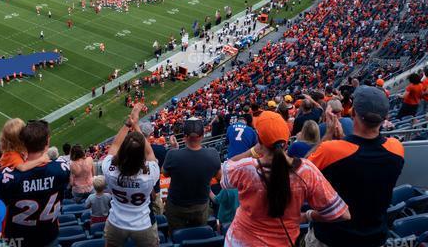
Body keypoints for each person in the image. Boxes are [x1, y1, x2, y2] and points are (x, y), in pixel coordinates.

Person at [222, 111, 350, 246]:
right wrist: (308, 215)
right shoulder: (306, 171)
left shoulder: (246, 167)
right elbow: (342, 214)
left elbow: (225, 171)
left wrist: (254, 150)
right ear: (286, 141)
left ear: (259, 141)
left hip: (239, 241)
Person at [307, 86, 405, 246]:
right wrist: (343, 140)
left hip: (333, 238)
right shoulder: (397, 148)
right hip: (374, 237)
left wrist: (328, 135)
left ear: (353, 113)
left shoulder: (330, 149)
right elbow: (363, 154)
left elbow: (300, 172)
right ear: (385, 117)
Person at [0, 120, 70, 247]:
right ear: (47, 142)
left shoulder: (8, 176)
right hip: (49, 235)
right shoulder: (62, 169)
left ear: (24, 143)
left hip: (18, 240)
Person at [102, 104, 160, 246]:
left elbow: (114, 146)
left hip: (116, 222)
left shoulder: (110, 170)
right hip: (143, 224)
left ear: (123, 152)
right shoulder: (149, 174)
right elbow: (150, 153)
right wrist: (137, 126)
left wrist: (128, 124)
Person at [163, 117, 221, 233]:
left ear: (184, 137)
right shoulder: (213, 154)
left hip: (177, 206)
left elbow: (165, 173)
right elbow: (219, 177)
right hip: (200, 205)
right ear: (202, 135)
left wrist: (174, 149)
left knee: (177, 236)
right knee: (199, 235)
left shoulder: (173, 155)